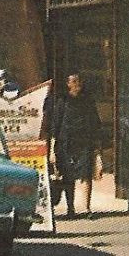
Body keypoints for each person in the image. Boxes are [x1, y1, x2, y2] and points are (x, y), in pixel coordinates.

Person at [48, 73, 102, 220]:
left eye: (79, 81)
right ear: (68, 84)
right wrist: (52, 150)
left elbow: (95, 124)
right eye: (73, 81)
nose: (77, 84)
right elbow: (55, 126)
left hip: (84, 142)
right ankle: (70, 207)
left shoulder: (87, 101)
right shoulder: (62, 102)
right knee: (67, 177)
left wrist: (97, 149)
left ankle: (86, 208)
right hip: (66, 143)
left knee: (86, 175)